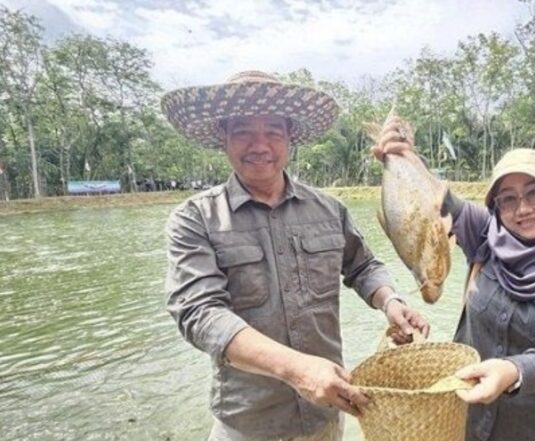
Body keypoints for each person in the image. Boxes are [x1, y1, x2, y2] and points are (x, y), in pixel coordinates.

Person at [162, 71, 429, 441]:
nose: (260, 145)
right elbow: (200, 314)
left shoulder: (329, 209)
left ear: (289, 138)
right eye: (243, 131)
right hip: (249, 424)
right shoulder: (195, 219)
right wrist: (298, 370)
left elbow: (363, 265)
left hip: (324, 418)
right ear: (223, 137)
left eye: (273, 131)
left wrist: (391, 301)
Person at [373, 135, 535, 441]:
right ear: (496, 206)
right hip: (469, 423)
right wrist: (403, 154)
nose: (522, 209)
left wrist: (516, 370)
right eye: (508, 198)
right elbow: (437, 198)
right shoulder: (486, 234)